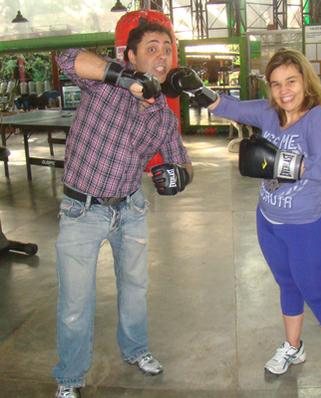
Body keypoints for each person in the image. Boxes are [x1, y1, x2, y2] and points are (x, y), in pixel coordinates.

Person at [171, 48, 321, 391]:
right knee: (287, 285)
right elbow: (226, 106)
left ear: (305, 82)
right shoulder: (269, 114)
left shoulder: (319, 118)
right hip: (268, 220)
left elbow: (317, 170)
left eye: (291, 82)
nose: (284, 91)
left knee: (315, 292)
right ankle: (293, 347)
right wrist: (196, 88)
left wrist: (275, 161)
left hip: (307, 227)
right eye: (275, 84)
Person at [53, 22, 193, 398]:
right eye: (152, 48)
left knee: (135, 289)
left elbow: (182, 161)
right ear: (130, 56)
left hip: (130, 208)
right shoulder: (102, 86)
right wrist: (122, 78)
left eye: (167, 48)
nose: (162, 55)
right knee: (75, 303)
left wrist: (179, 176)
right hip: (82, 210)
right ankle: (69, 377)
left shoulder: (163, 113)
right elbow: (65, 58)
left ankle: (135, 350)